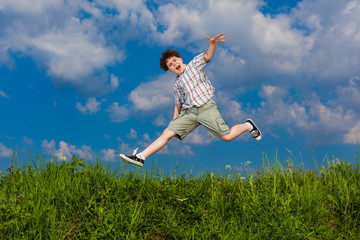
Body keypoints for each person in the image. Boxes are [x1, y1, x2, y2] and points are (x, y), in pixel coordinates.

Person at [120, 33, 262, 167]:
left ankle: (248, 125)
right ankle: (140, 157)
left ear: (180, 59)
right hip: (189, 112)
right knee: (166, 133)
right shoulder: (176, 85)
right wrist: (174, 121)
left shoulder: (194, 64)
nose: (174, 64)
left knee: (227, 137)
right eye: (170, 65)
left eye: (174, 60)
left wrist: (212, 44)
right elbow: (178, 104)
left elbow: (208, 56)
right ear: (170, 70)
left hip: (206, 107)